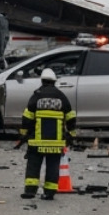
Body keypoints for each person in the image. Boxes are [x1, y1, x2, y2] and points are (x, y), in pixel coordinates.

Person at [20, 69, 76, 201]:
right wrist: (71, 134)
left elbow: (27, 117)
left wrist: (24, 134)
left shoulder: (37, 96)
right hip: (55, 142)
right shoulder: (62, 97)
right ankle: (49, 192)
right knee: (53, 166)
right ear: (54, 81)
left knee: (34, 164)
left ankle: (30, 191)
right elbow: (71, 117)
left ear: (42, 80)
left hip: (37, 141)